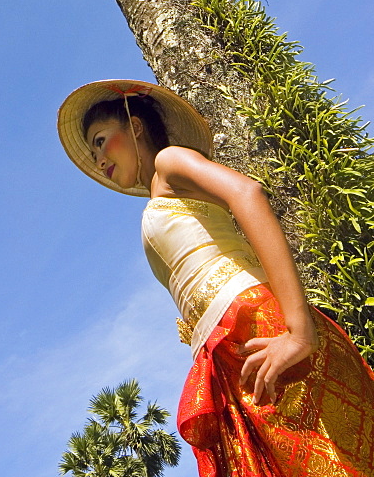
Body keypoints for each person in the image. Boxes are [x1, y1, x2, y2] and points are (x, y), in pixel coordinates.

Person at [57, 79, 374, 477]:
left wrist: (299, 332)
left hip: (257, 326)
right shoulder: (161, 193)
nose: (98, 156)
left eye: (101, 139)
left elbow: (247, 193)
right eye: (92, 149)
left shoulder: (169, 162)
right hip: (227, 355)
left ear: (135, 126)